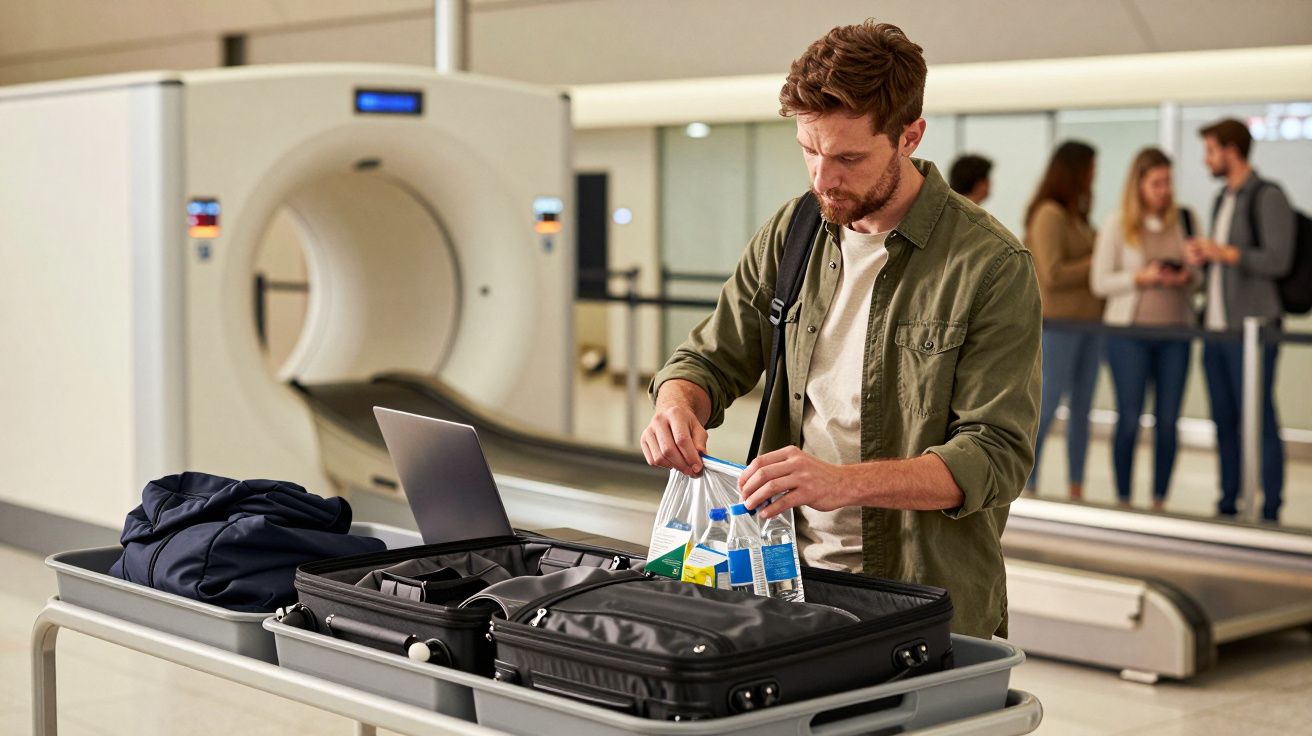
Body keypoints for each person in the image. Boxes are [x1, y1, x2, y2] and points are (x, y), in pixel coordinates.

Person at [640, 21, 1041, 639]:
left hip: (918, 595)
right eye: (808, 149)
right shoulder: (795, 230)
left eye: (849, 157)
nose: (823, 178)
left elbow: (995, 455)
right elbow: (709, 359)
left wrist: (839, 484)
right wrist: (677, 404)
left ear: (910, 136)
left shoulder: (989, 265)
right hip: (782, 577)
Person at [1186, 119, 1295, 522]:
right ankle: (1228, 502)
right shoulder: (1221, 198)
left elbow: (1277, 259)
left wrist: (1225, 253)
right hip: (1215, 329)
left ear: (1232, 150)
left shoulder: (1268, 196)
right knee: (1224, 420)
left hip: (1253, 330)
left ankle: (1271, 509)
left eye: (1211, 150)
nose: (1206, 159)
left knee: (1260, 418)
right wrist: (1207, 256)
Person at [1091, 148, 1199, 512]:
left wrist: (1186, 277)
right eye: (1156, 183)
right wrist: (1142, 277)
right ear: (1138, 185)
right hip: (1128, 336)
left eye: (1168, 182)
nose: (1164, 190)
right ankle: (1123, 499)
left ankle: (1159, 500)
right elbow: (1100, 282)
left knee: (1168, 420)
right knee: (1129, 417)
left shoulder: (1186, 220)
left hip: (1177, 335)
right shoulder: (1117, 224)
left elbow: (1199, 280)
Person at [1024, 141, 1103, 502]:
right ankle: (1028, 486)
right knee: (1046, 409)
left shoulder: (1078, 217)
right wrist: (1099, 259)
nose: (1093, 178)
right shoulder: (1049, 214)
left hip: (1090, 328)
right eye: (1089, 170)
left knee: (1083, 413)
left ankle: (1076, 488)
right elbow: (1051, 274)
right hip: (1058, 327)